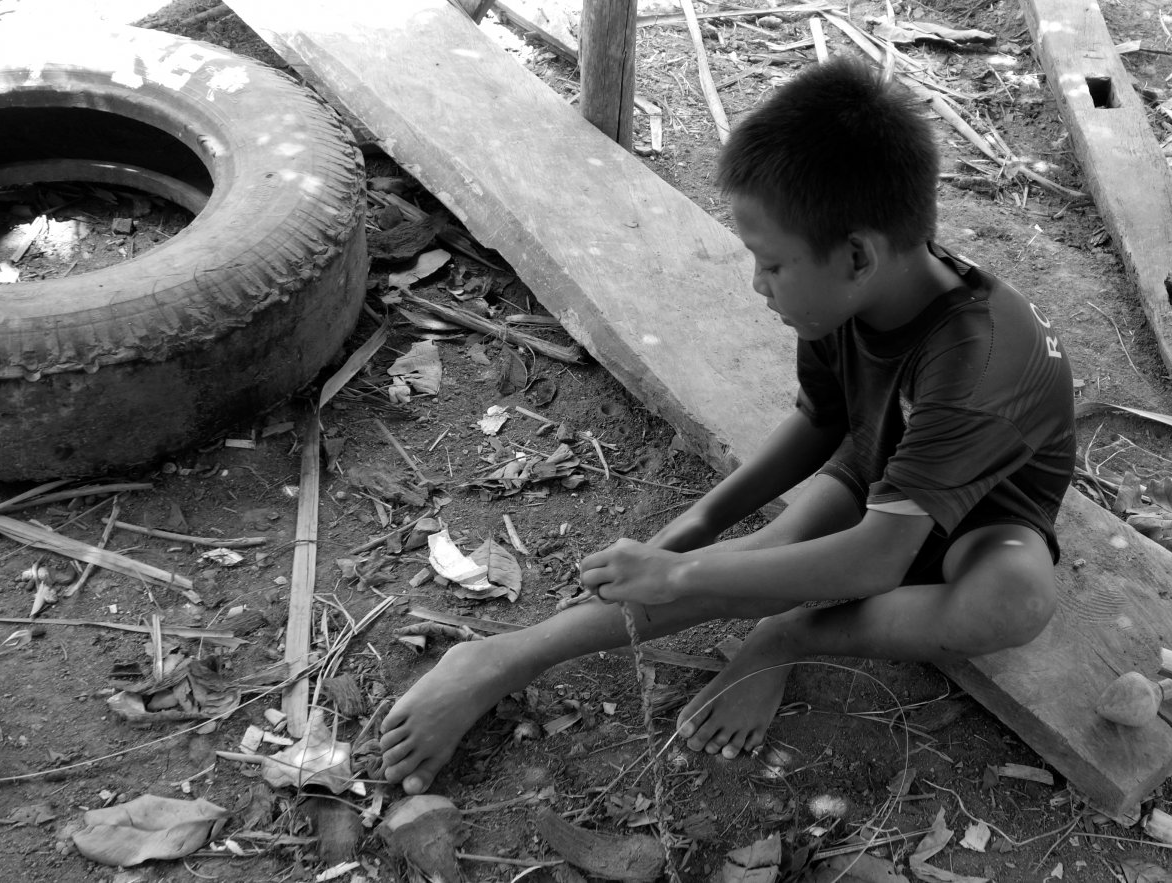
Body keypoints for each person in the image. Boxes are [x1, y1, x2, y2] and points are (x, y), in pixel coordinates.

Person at [376, 56, 1076, 796]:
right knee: (759, 561)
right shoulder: (848, 293)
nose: (757, 283)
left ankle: (787, 639)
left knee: (1014, 598)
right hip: (885, 471)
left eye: (769, 264)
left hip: (988, 515)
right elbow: (821, 419)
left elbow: (873, 559)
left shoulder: (977, 366)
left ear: (859, 255)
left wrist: (681, 571)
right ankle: (503, 657)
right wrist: (696, 527)